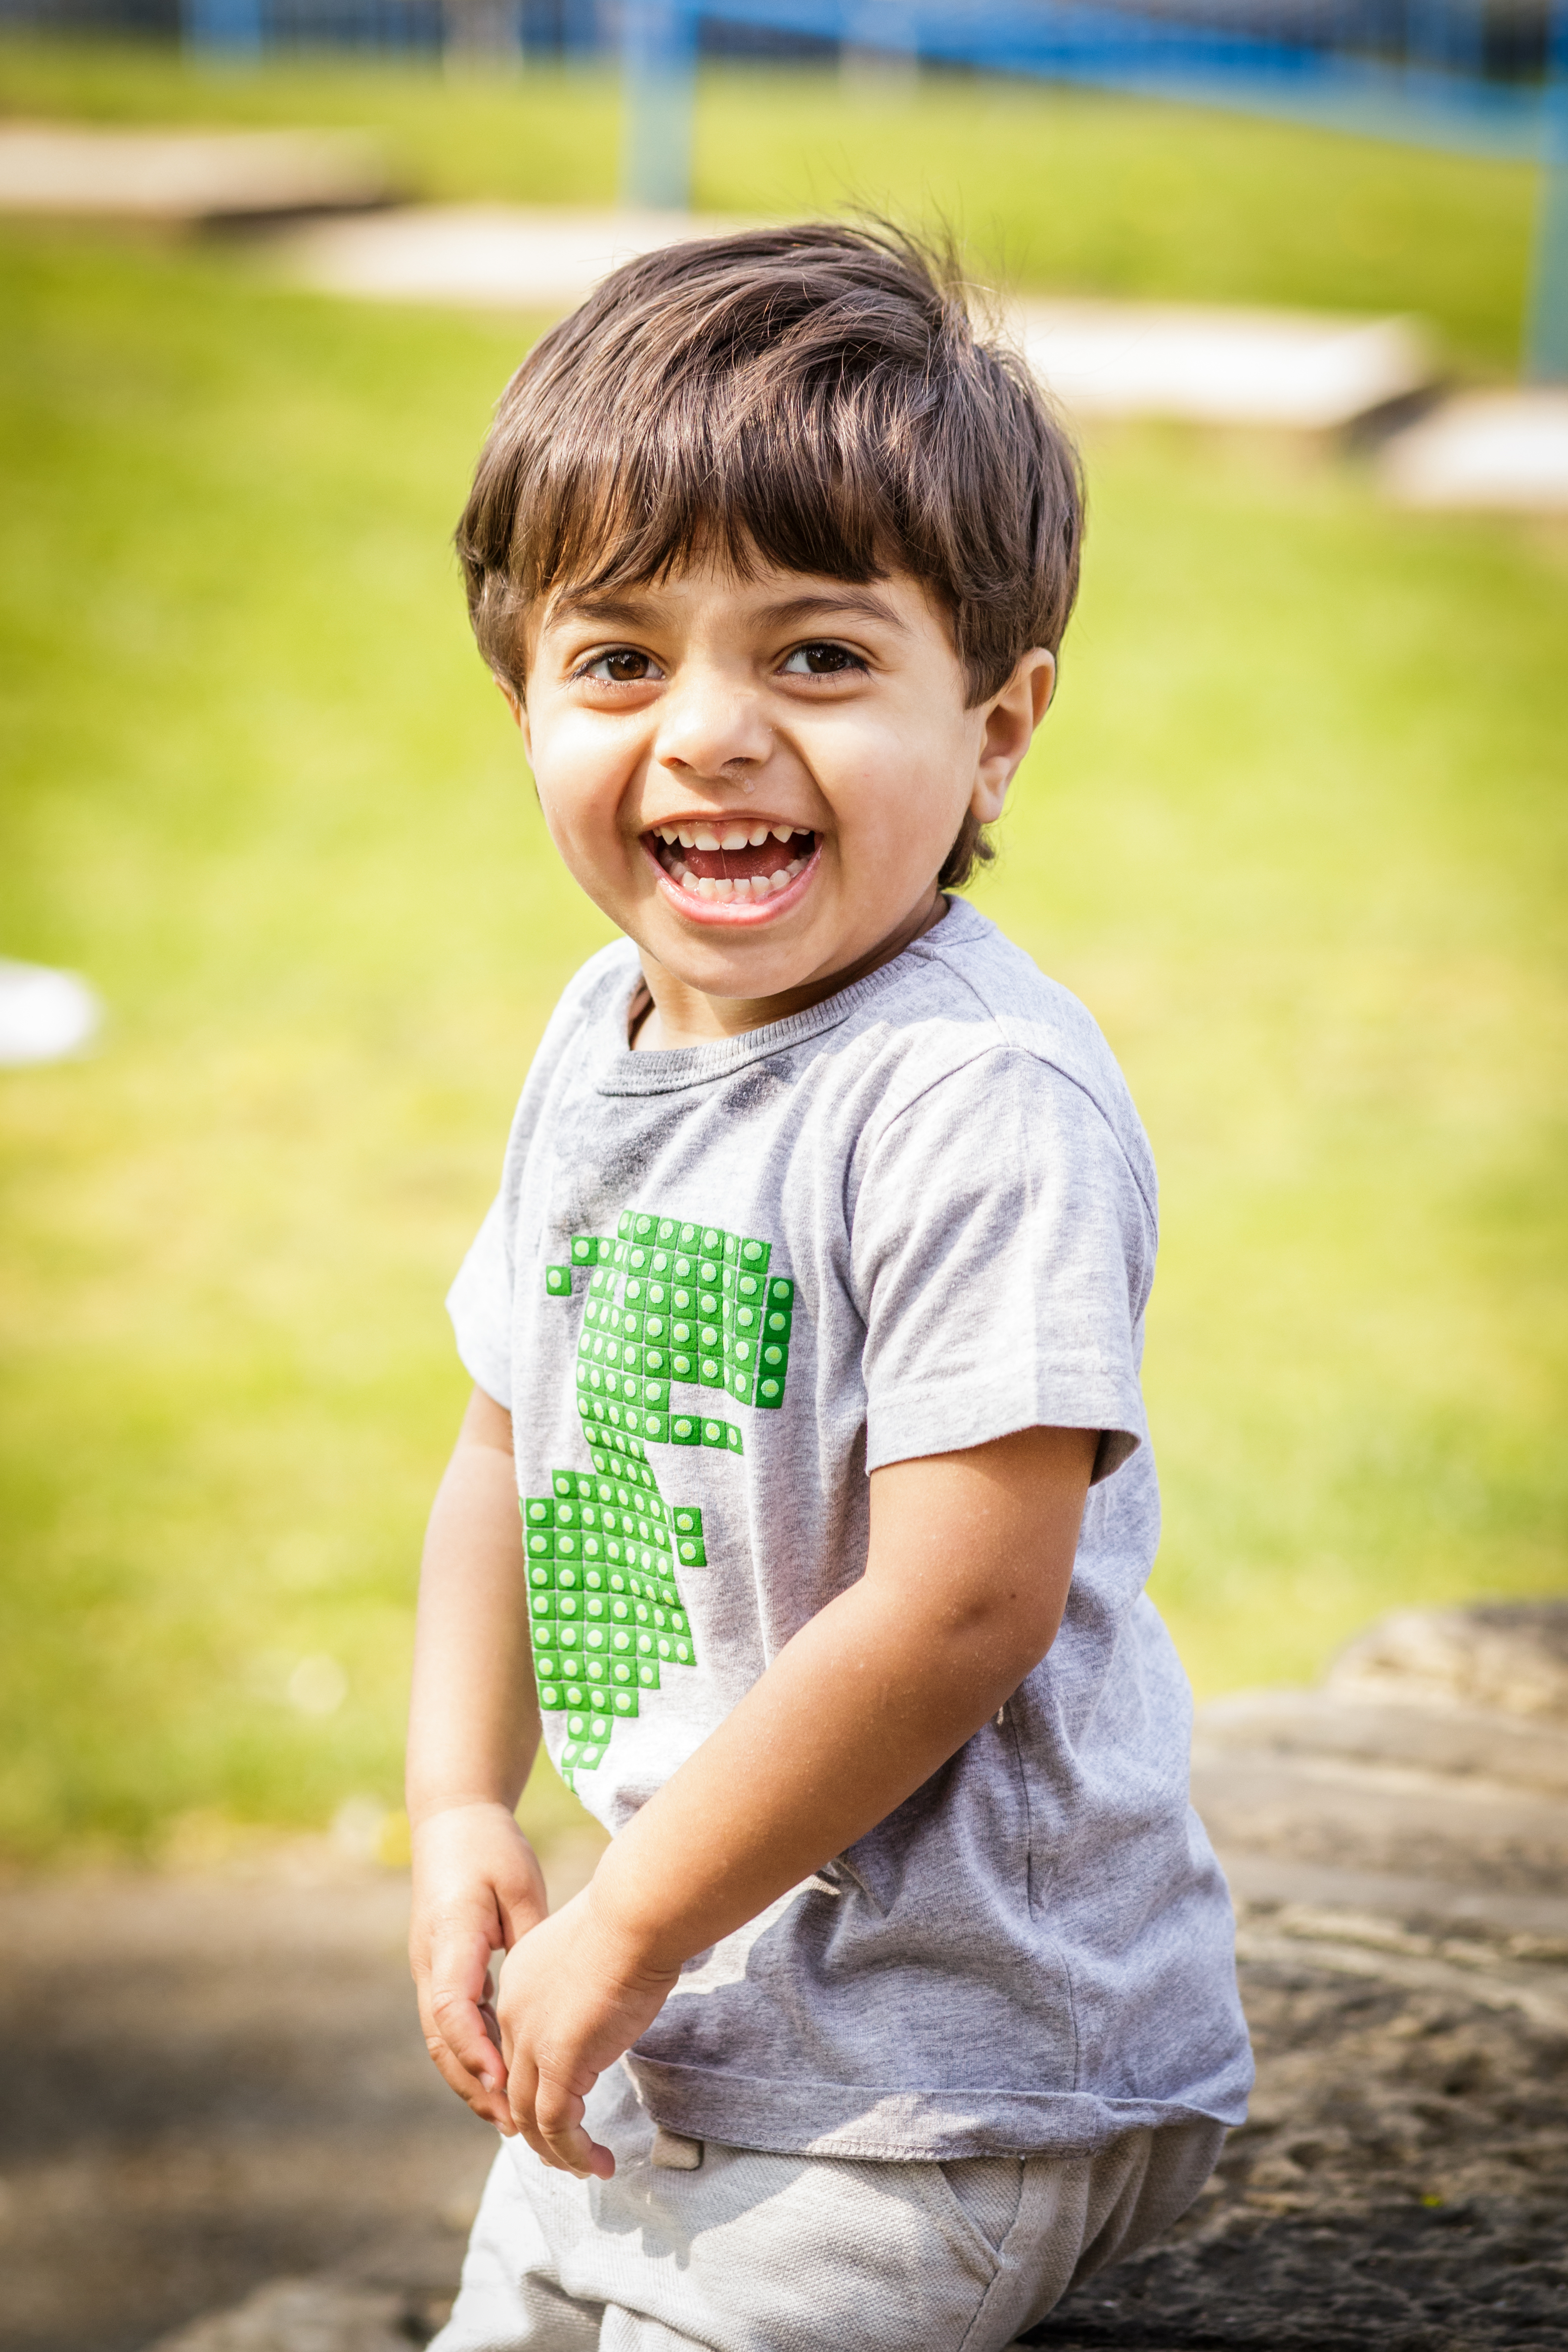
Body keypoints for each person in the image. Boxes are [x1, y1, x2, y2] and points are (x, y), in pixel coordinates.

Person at [407, 221, 1252, 2352]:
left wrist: (627, 1917)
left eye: (813, 656)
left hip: (955, 2064)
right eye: (619, 659)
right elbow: (502, 1442)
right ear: (524, 700)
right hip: (684, 1992)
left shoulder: (969, 1097)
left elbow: (958, 1601)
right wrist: (454, 1810)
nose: (706, 733)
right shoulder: (602, 1032)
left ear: (994, 722)